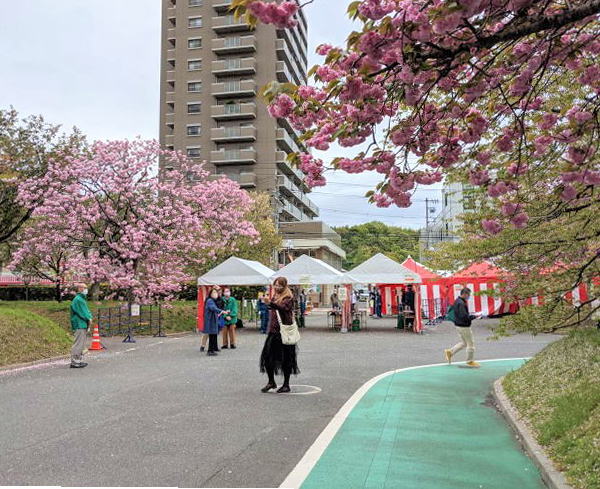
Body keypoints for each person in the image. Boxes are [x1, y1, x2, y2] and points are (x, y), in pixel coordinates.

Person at [259, 277, 299, 393]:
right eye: (275, 285)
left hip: (284, 332)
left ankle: (286, 384)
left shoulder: (288, 297)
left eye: (279, 285)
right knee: (267, 358)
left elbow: (284, 308)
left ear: (284, 286)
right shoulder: (275, 296)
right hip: (273, 331)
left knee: (286, 359)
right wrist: (267, 303)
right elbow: (272, 307)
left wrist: (271, 303)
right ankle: (271, 382)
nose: (277, 287)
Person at [444, 287, 481, 368]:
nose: (469, 296)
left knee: (464, 343)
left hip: (458, 325)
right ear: (464, 294)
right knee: (470, 343)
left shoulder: (457, 301)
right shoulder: (461, 303)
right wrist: (474, 316)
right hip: (464, 326)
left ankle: (450, 352)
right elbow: (464, 316)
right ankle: (470, 361)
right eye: (468, 295)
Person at [70, 283, 93, 369]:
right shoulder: (79, 299)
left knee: (81, 343)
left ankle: (78, 360)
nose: (86, 289)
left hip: (82, 323)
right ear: (79, 288)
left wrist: (89, 317)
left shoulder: (80, 299)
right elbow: (83, 312)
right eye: (84, 287)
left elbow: (85, 311)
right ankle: (75, 361)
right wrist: (89, 318)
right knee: (78, 343)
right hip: (80, 323)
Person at [203, 287, 227, 356]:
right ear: (210, 294)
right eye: (213, 292)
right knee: (212, 335)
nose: (215, 294)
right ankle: (210, 351)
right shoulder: (210, 300)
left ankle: (213, 348)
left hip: (213, 320)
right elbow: (213, 308)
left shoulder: (213, 300)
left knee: (214, 334)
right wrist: (221, 311)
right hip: (211, 320)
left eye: (216, 292)